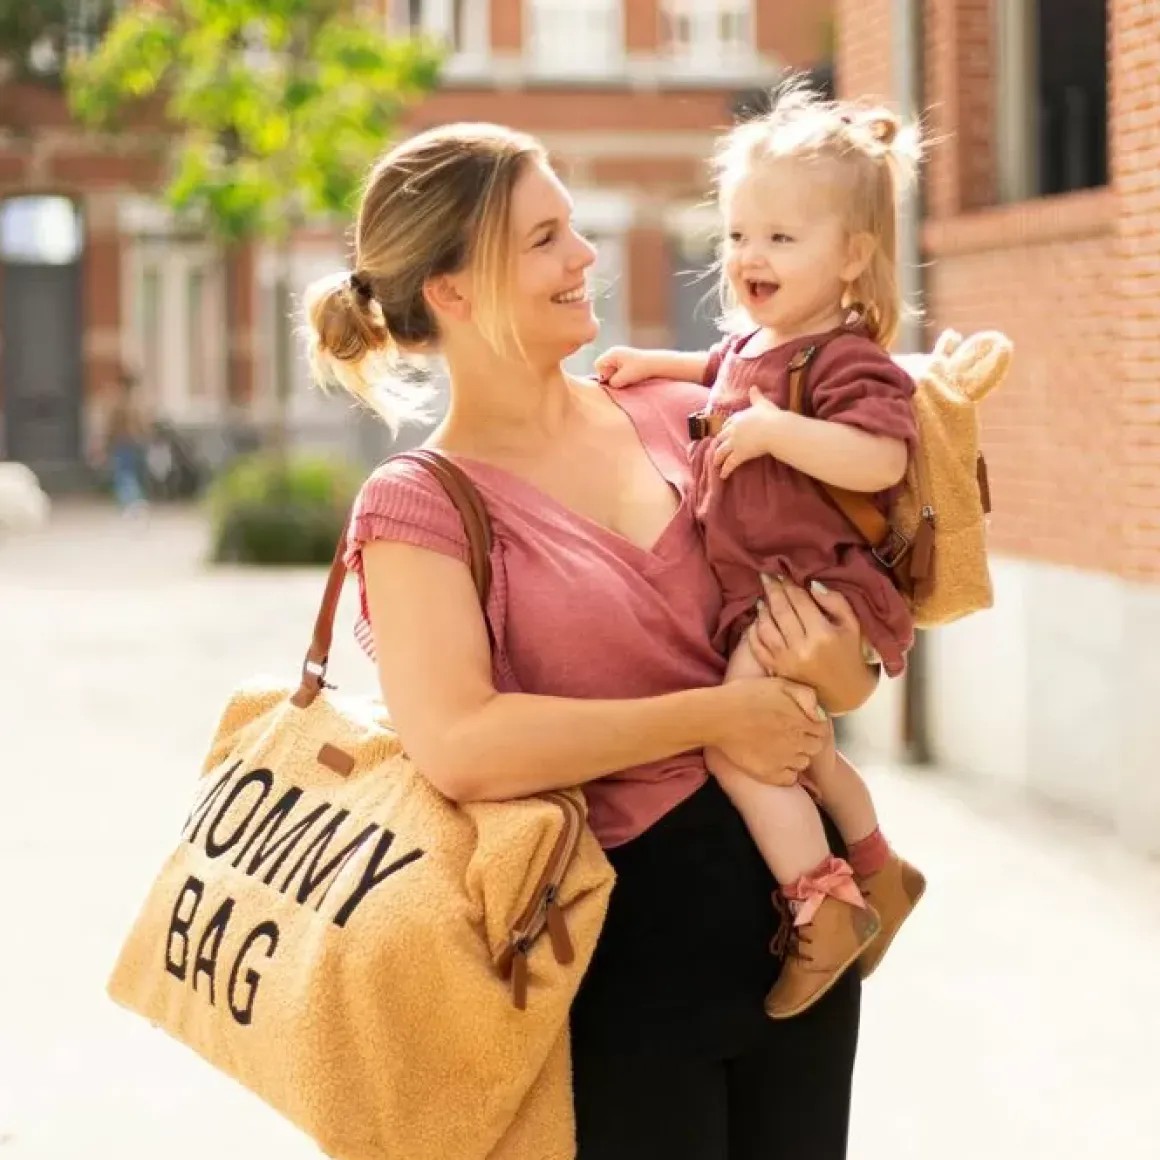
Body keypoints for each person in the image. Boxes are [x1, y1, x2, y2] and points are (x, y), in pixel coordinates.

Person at [305, 121, 881, 1160]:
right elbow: (461, 742)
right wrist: (715, 714)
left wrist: (843, 667)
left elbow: (836, 607)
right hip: (610, 966)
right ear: (451, 289)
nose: (584, 258)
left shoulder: (684, 410)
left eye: (572, 227)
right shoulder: (420, 505)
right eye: (543, 238)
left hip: (803, 934)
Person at [595, 84, 927, 1019]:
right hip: (773, 593)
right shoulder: (760, 346)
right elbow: (720, 369)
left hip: (817, 590)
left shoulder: (849, 359)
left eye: (782, 238)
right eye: (739, 235)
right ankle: (879, 867)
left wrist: (779, 432)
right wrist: (656, 364)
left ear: (852, 255)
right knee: (799, 745)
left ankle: (823, 910)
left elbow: (881, 457)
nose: (750, 256)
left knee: (739, 743)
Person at [99, 369, 150, 516]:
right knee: (131, 474)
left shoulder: (118, 403)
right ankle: (135, 502)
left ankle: (131, 502)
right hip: (134, 443)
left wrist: (106, 443)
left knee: (124, 476)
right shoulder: (138, 402)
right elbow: (144, 425)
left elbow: (111, 426)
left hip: (122, 443)